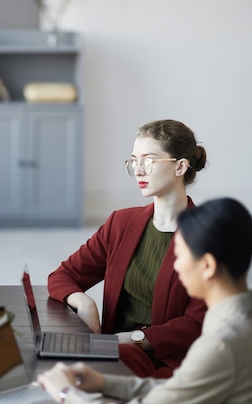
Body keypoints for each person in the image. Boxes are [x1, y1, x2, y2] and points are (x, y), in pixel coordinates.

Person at [38, 197, 252, 403]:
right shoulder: (238, 320)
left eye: (181, 256)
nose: (175, 266)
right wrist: (103, 383)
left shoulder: (220, 345)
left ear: (207, 266)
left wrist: (66, 394)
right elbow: (179, 389)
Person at [47, 119, 208, 378]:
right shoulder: (121, 223)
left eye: (149, 160)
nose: (139, 170)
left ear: (180, 166)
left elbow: (196, 323)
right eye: (135, 160)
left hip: (170, 363)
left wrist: (130, 340)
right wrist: (84, 302)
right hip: (114, 352)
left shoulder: (207, 236)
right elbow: (62, 276)